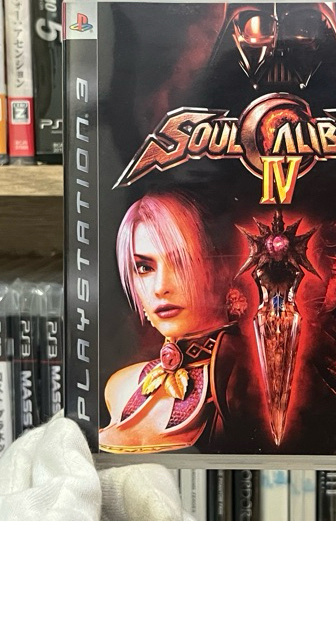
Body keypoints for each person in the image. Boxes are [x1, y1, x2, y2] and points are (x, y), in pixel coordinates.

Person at [99, 190, 245, 454]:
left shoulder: (246, 387)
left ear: (221, 267)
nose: (160, 287)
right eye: (144, 268)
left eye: (180, 262)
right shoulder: (120, 386)